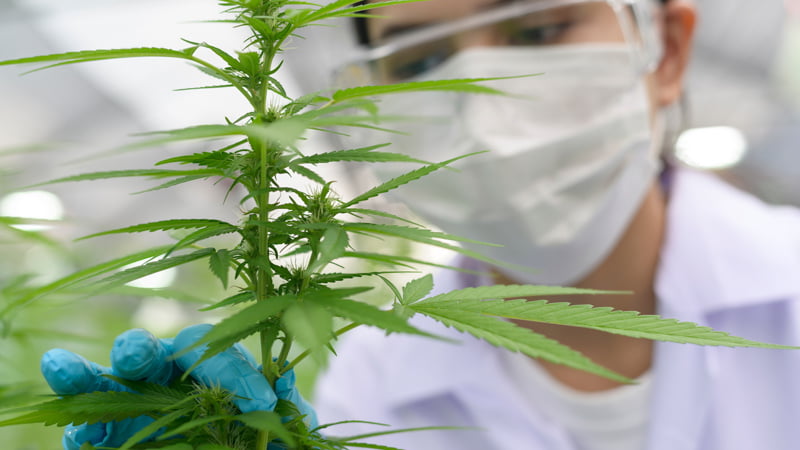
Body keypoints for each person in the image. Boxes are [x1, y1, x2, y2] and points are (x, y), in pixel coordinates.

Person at [41, 0, 800, 449]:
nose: (483, 94)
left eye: (537, 30)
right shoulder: (371, 381)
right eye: (423, 59)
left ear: (665, 49)